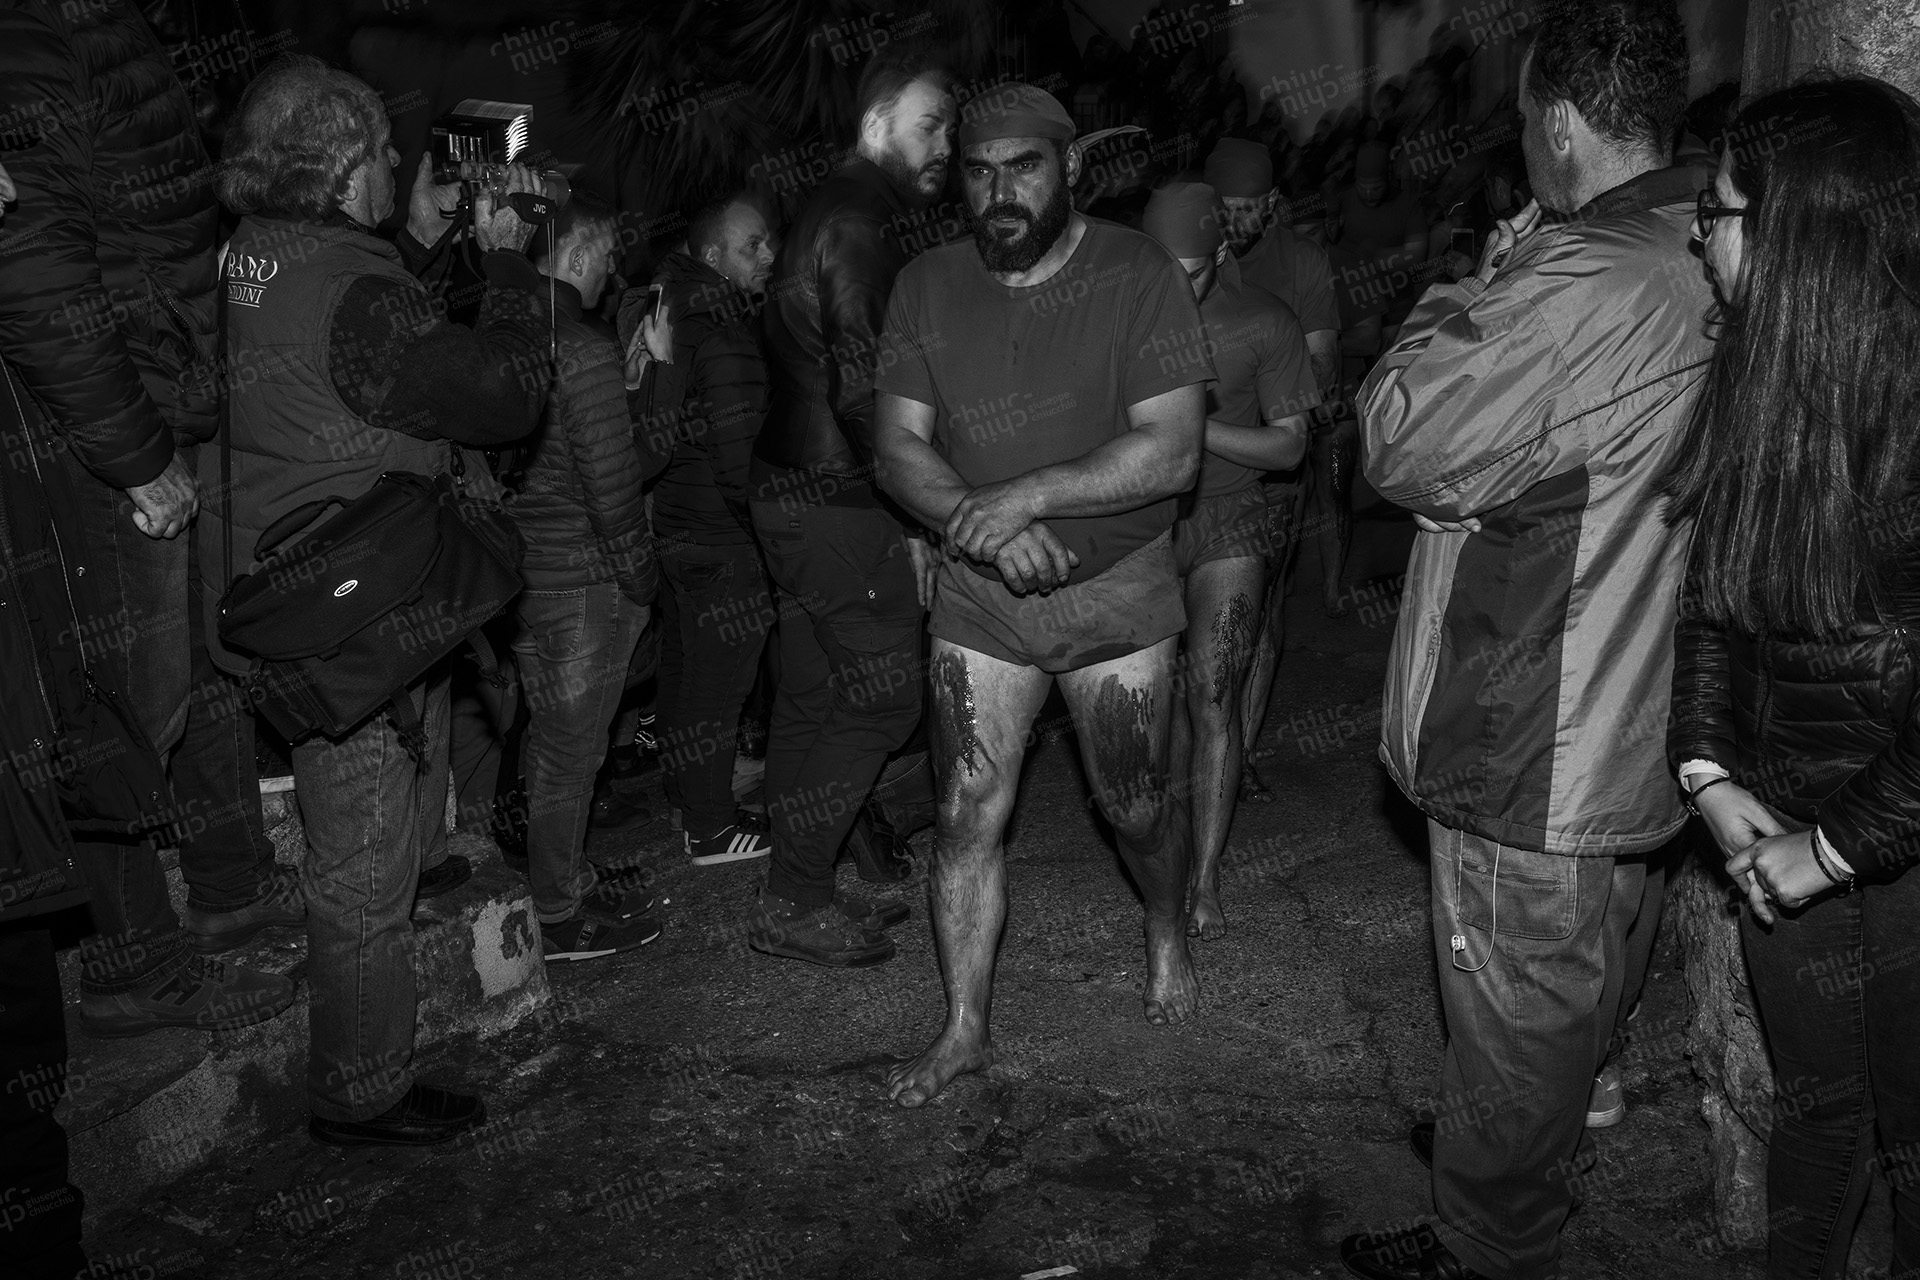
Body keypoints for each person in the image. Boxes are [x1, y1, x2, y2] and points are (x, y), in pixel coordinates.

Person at [1341, 1, 1709, 1275]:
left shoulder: (1577, 279)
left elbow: (1399, 433)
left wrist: (1477, 282)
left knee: (1513, 994)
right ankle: (1576, 1107)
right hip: (1655, 700)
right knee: (1592, 950)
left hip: (1536, 719)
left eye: (1520, 121)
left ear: (1555, 120)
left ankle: (1490, 1238)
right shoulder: (1713, 232)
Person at [204, 55, 552, 1146]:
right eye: (387, 154)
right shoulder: (353, 294)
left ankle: (383, 998)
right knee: (358, 873)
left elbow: (352, 341)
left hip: (304, 579)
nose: (403, 163)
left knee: (373, 839)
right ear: (346, 165)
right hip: (350, 617)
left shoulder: (252, 255)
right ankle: (360, 1089)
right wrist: (503, 264)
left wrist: (418, 239)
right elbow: (499, 396)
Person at [873, 82, 1214, 1108]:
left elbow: (1175, 449)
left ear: (1068, 167)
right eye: (979, 172)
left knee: (1135, 805)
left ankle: (1163, 921)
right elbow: (895, 445)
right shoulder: (926, 284)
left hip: (1114, 589)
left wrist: (1026, 496)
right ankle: (965, 1026)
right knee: (965, 808)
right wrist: (983, 524)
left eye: (1023, 166)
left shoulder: (1137, 270)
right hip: (981, 599)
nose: (1000, 191)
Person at [0, 0, 297, 1036]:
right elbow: (33, 267)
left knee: (206, 666)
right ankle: (135, 966)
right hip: (111, 429)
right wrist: (134, 455)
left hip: (162, 389)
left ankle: (232, 901)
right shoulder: (33, 35)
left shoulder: (88, 23)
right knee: (128, 704)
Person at [1665, 77, 1920, 1280]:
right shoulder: (1756, 372)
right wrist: (1710, 771)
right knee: (1820, 1110)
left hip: (1894, 840)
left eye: (1716, 213)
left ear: (1797, 233)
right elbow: (1711, 597)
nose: (1699, 236)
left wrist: (1825, 851)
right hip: (1784, 811)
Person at [746, 50, 956, 967]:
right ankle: (794, 897)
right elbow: (865, 386)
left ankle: (803, 879)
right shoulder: (860, 219)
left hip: (792, 493)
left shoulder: (832, 209)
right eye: (930, 125)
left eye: (949, 125)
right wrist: (919, 512)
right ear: (876, 127)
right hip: (839, 501)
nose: (945, 143)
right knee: (881, 700)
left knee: (811, 695)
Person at [1140, 182, 1318, 940]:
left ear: (1222, 253)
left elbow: (1291, 443)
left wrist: (1193, 433)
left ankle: (1207, 877)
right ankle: (1163, 857)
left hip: (1233, 520)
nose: (1179, 287)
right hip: (1144, 524)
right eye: (1163, 270)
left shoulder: (1263, 321)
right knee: (1154, 709)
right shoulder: (1121, 315)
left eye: (1195, 270)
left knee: (1214, 693)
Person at [513, 193, 663, 961]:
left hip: (527, 576)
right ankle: (561, 914)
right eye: (606, 256)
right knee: (574, 755)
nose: (612, 272)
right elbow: (613, 487)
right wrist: (641, 580)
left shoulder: (506, 329)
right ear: (573, 254)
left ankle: (555, 877)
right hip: (584, 580)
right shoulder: (581, 342)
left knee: (551, 748)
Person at [1200, 138, 1350, 788]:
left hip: (1272, 469)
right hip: (1193, 463)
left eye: (1246, 208)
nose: (1235, 219)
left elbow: (1321, 363)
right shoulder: (1186, 255)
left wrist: (1266, 391)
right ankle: (1208, 742)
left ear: (1272, 204)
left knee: (1257, 615)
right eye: (1223, 207)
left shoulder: (1304, 262)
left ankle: (1242, 750)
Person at [644, 196, 781, 867]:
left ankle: (689, 793)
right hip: (720, 537)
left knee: (683, 671)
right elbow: (738, 459)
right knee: (716, 688)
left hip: (672, 527)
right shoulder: (723, 327)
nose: (767, 258)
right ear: (709, 257)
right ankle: (710, 827)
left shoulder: (663, 311)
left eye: (767, 244)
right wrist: (768, 530)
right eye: (750, 246)